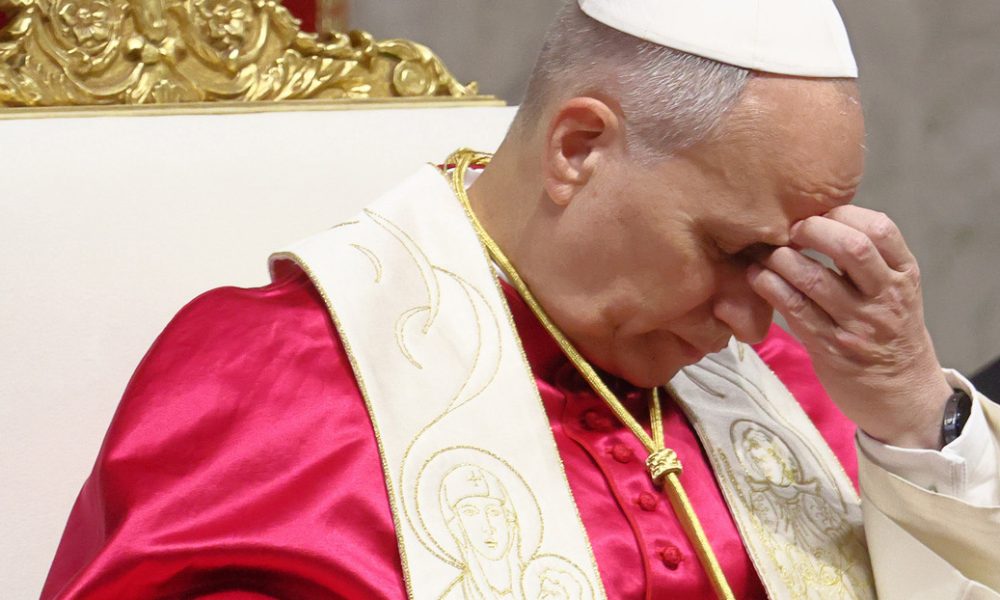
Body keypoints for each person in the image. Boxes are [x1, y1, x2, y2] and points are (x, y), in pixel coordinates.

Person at [42, 0, 1000, 598]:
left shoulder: (784, 382)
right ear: (577, 148)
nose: (755, 322)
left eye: (784, 259)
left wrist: (916, 416)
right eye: (732, 250)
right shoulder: (275, 378)